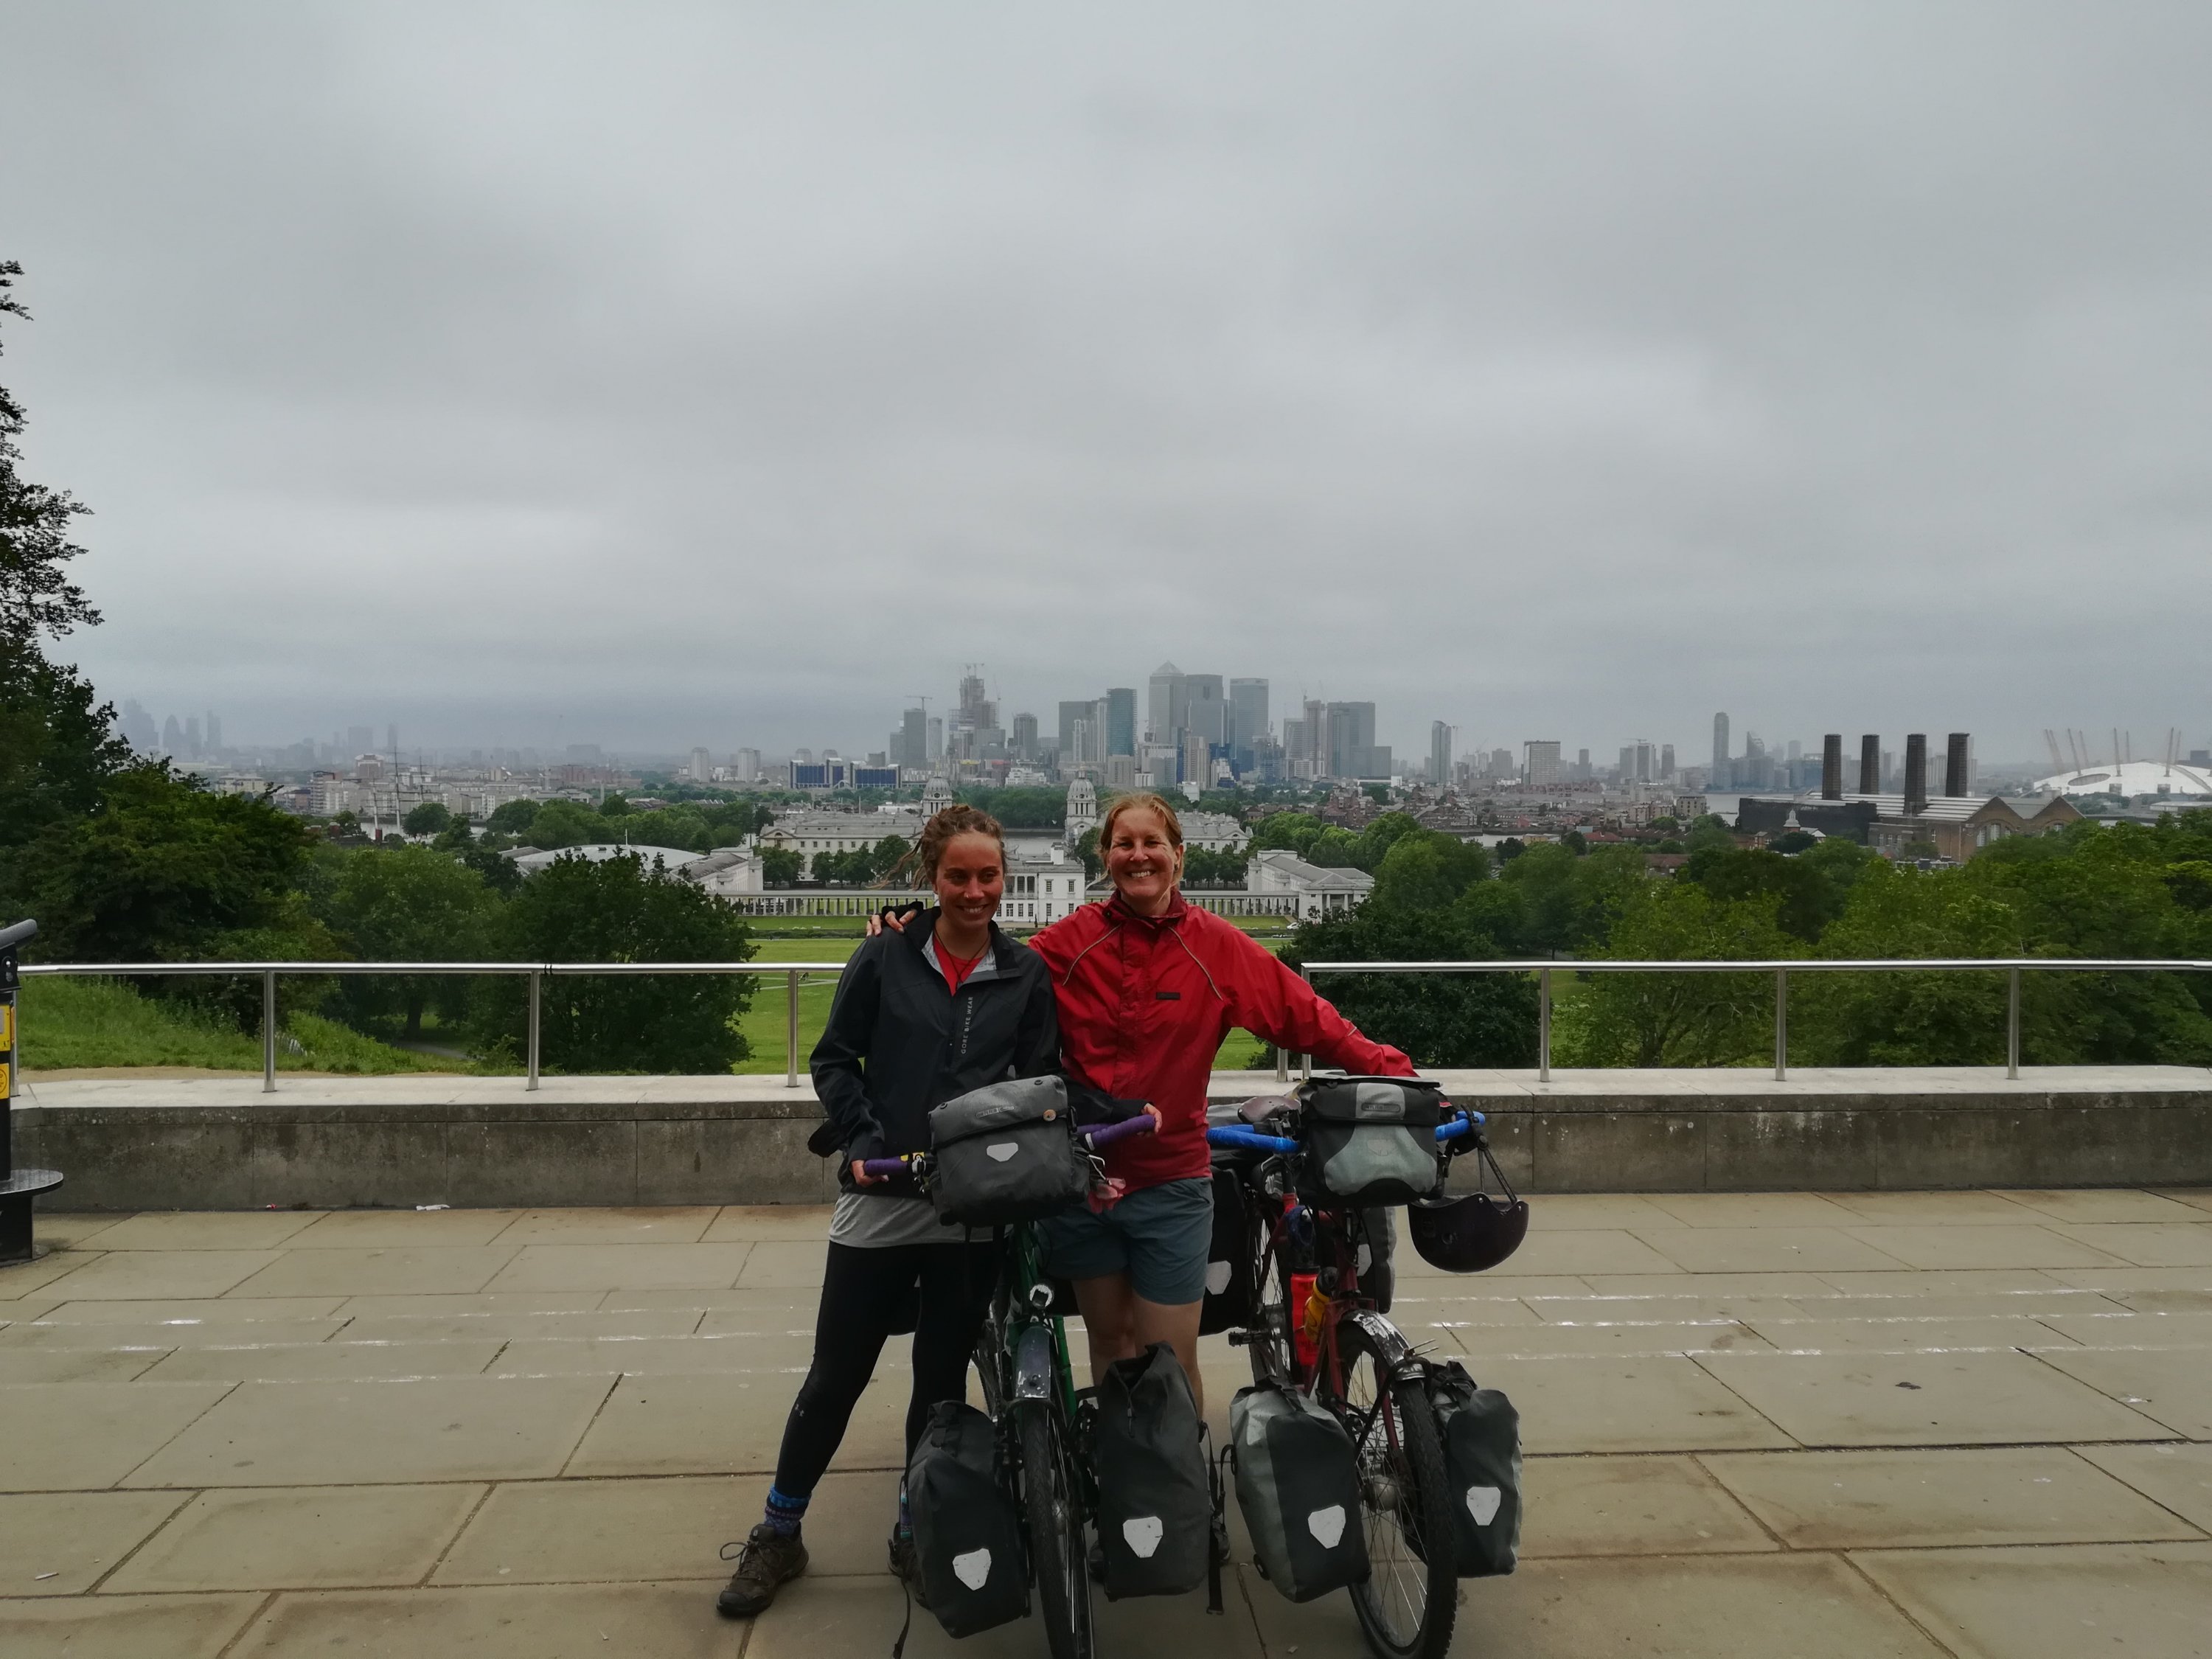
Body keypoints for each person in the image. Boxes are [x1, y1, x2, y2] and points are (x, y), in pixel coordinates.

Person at [880, 792, 1411, 1407]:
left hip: (1171, 1182)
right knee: (1112, 1344)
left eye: (1152, 843)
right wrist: (915, 931)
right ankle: (1123, 1460)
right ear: (1105, 857)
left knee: (1171, 1360)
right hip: (1085, 1178)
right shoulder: (1068, 943)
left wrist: (1401, 1078)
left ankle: (1176, 1461)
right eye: (1124, 844)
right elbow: (982, 965)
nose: (1139, 856)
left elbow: (1311, 1019)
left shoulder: (1216, 947)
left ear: (1178, 856)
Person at [717, 805, 1059, 1619]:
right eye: (957, 876)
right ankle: (779, 1531)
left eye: (988, 876)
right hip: (882, 1195)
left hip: (971, 1206)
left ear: (1004, 877)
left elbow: (1039, 1083)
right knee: (836, 1375)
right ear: (931, 878)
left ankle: (915, 1527)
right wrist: (865, 1140)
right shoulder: (884, 954)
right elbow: (836, 1059)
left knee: (939, 1385)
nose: (974, 892)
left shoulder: (1025, 973)